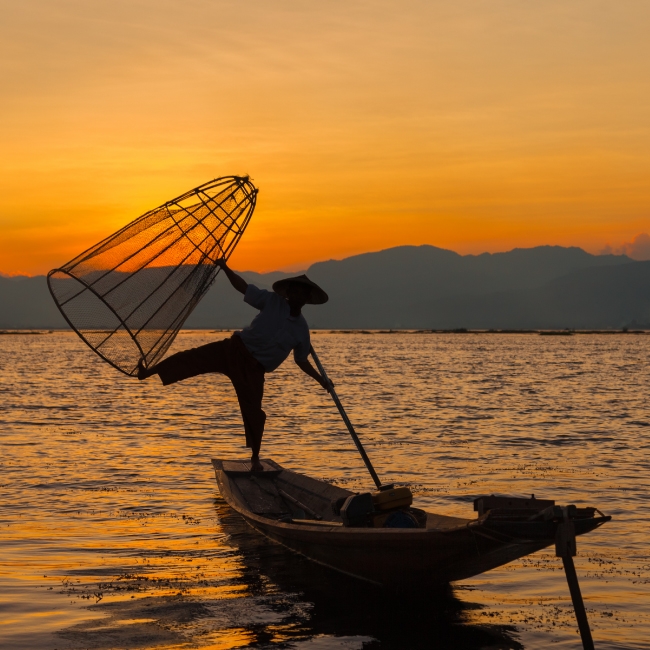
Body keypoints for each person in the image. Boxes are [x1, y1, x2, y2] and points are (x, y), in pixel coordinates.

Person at [137, 260, 331, 472]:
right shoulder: (272, 301)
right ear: (289, 292)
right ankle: (148, 372)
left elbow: (301, 360)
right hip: (234, 350)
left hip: (254, 369)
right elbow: (244, 288)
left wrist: (322, 380)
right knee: (192, 358)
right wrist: (225, 268)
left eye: (301, 294)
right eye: (294, 291)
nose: (296, 296)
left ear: (306, 299)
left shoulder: (301, 330)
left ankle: (255, 458)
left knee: (255, 413)